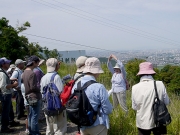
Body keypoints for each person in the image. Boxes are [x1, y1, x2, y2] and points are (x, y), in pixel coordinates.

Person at [72, 57, 113, 135]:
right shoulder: (99, 87)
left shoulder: (76, 85)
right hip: (97, 124)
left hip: (82, 124)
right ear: (96, 72)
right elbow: (108, 109)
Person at [132, 62, 170, 135]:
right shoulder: (160, 84)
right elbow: (167, 102)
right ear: (152, 73)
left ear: (140, 74)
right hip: (159, 120)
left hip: (142, 121)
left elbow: (135, 107)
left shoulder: (135, 88)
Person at [40, 58, 67, 135]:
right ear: (56, 66)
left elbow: (41, 91)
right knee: (60, 129)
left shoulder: (43, 77)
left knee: (49, 128)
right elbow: (60, 92)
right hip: (57, 107)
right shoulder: (56, 77)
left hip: (47, 106)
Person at [22, 55, 41, 135]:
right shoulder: (32, 73)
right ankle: (34, 132)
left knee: (30, 115)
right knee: (34, 116)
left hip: (28, 96)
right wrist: (39, 88)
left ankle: (31, 131)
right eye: (37, 62)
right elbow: (33, 87)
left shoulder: (24, 72)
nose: (38, 64)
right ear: (33, 63)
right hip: (34, 96)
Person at [0, 57, 19, 133]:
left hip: (5, 95)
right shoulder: (2, 73)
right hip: (5, 95)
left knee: (7, 110)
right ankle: (4, 127)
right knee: (5, 112)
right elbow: (3, 86)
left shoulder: (2, 72)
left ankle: (8, 124)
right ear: (3, 64)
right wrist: (13, 85)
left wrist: (10, 80)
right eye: (7, 63)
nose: (9, 64)